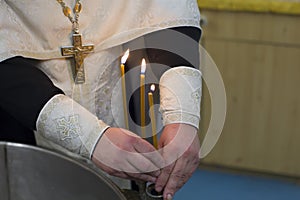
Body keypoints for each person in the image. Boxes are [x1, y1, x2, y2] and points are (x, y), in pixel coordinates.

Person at [0, 1, 202, 199]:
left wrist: (182, 114)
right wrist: (89, 136)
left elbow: (167, 15)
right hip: (19, 121)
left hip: (123, 95)